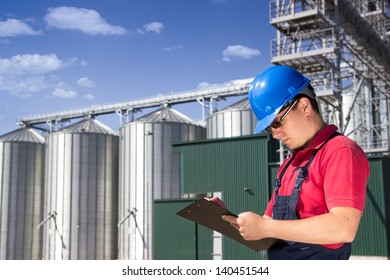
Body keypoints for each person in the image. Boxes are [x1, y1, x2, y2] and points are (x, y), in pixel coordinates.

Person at [212, 65, 369, 260]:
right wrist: (231, 220)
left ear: (304, 105)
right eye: (270, 128)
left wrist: (265, 226)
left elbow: (343, 227)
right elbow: (267, 230)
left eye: (278, 122)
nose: (275, 134)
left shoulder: (339, 151)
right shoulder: (289, 165)